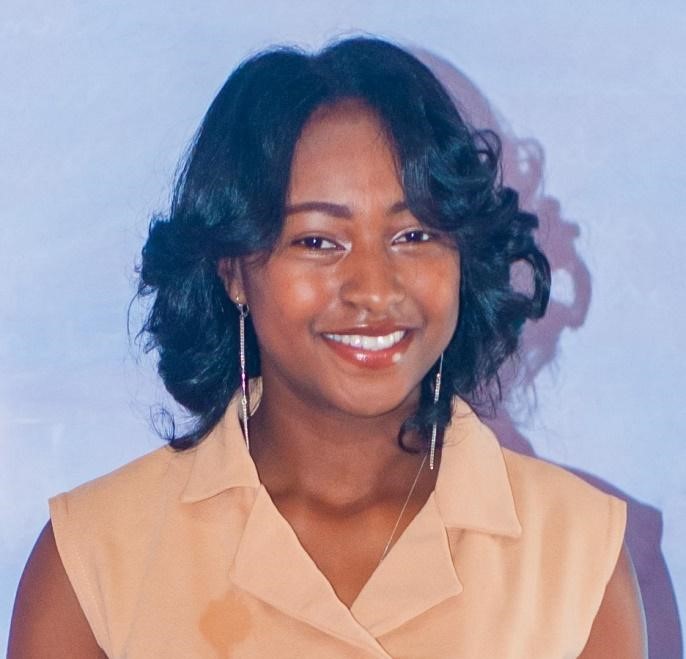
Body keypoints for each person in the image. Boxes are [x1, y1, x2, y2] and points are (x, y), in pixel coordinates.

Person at [9, 37, 646, 658]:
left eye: (415, 235)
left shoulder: (579, 559)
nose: (375, 289)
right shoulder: (92, 564)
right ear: (233, 270)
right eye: (317, 241)